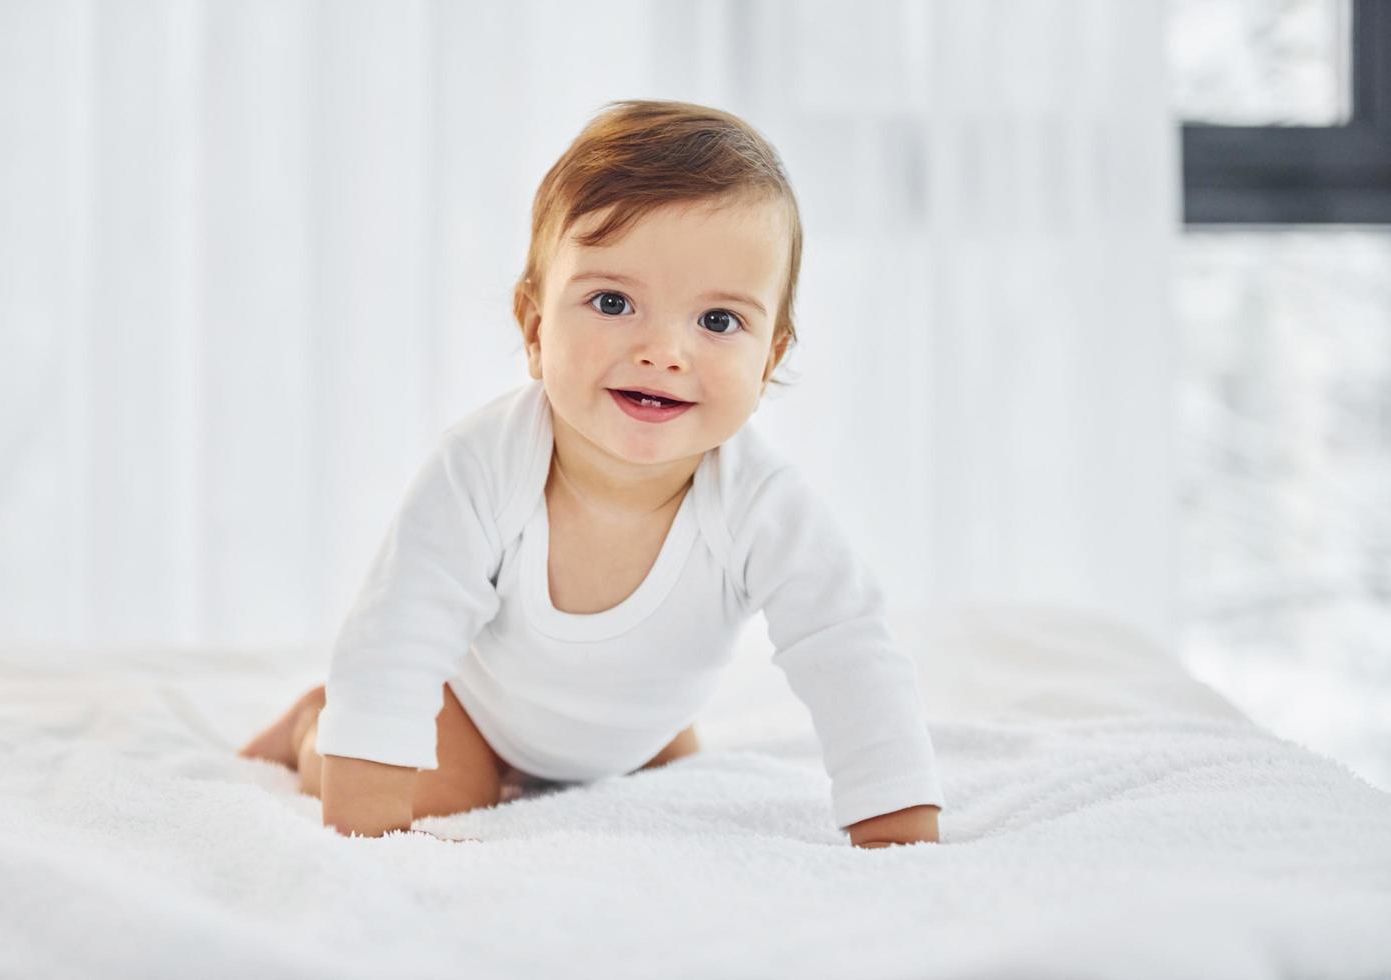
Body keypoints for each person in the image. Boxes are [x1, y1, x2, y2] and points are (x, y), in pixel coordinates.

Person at [239, 99, 945, 848]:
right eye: (613, 302)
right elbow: (397, 634)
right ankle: (316, 727)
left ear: (769, 359)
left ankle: (606, 752)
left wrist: (897, 829)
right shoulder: (483, 468)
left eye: (717, 322)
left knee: (675, 778)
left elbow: (848, 652)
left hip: (643, 729)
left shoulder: (763, 504)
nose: (663, 350)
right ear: (537, 330)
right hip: (483, 715)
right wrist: (362, 827)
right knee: (449, 790)